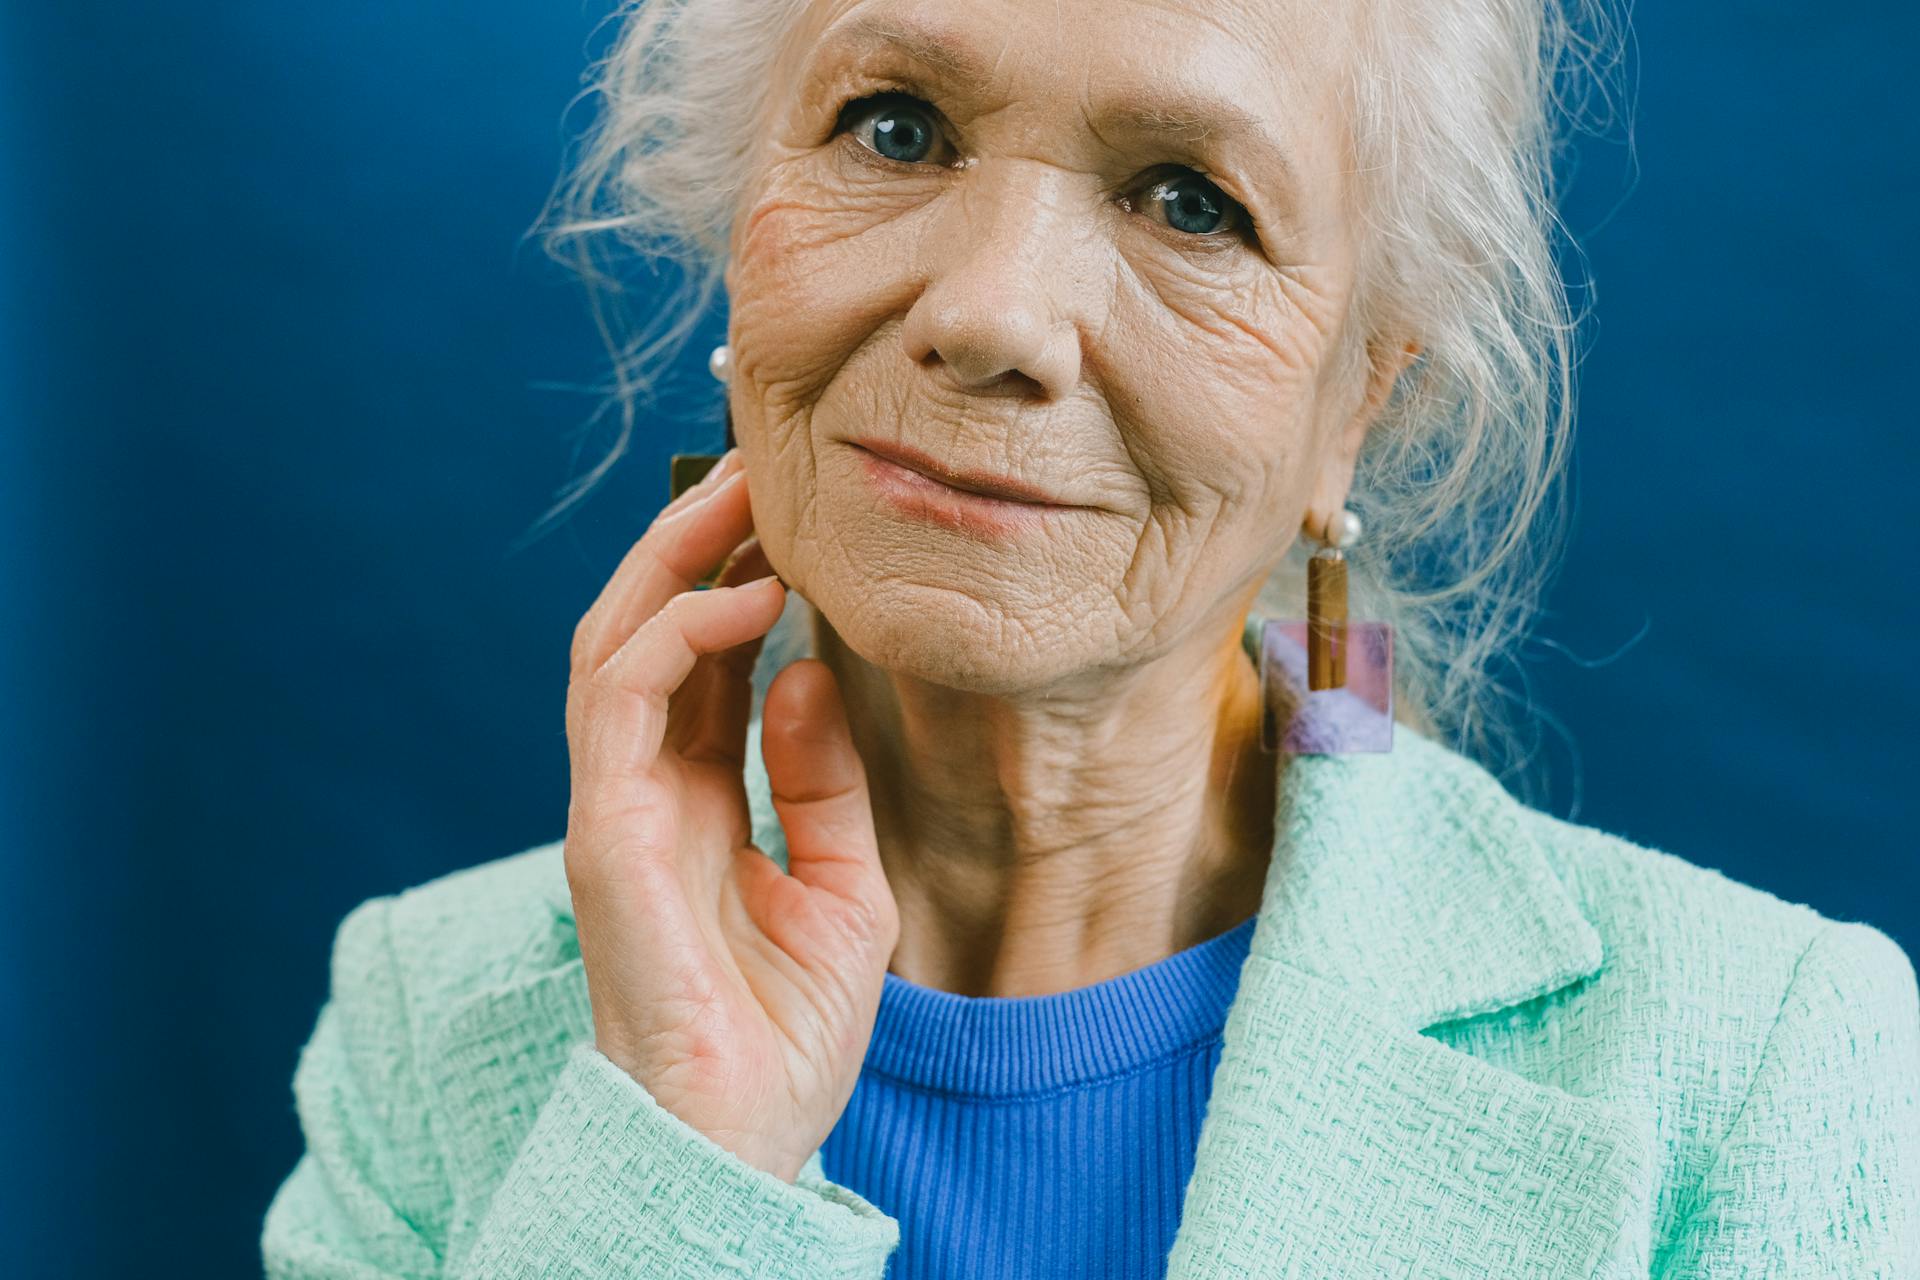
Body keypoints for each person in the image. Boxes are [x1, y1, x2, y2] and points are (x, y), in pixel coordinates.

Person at [261, 0, 1920, 1275]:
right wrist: (680, 1158)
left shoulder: (1764, 1064)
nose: (987, 314)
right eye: (895, 127)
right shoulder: (426, 1020)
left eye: (1190, 203)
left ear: (1358, 404)